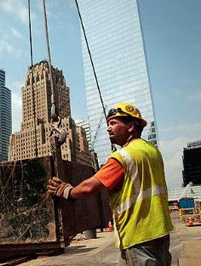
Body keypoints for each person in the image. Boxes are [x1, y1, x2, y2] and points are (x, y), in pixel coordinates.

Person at [47, 103, 173, 266]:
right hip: (161, 232)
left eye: (113, 123)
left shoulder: (123, 157)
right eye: (107, 124)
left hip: (138, 235)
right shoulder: (152, 151)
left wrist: (67, 191)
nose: (108, 128)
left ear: (131, 126)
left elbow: (90, 187)